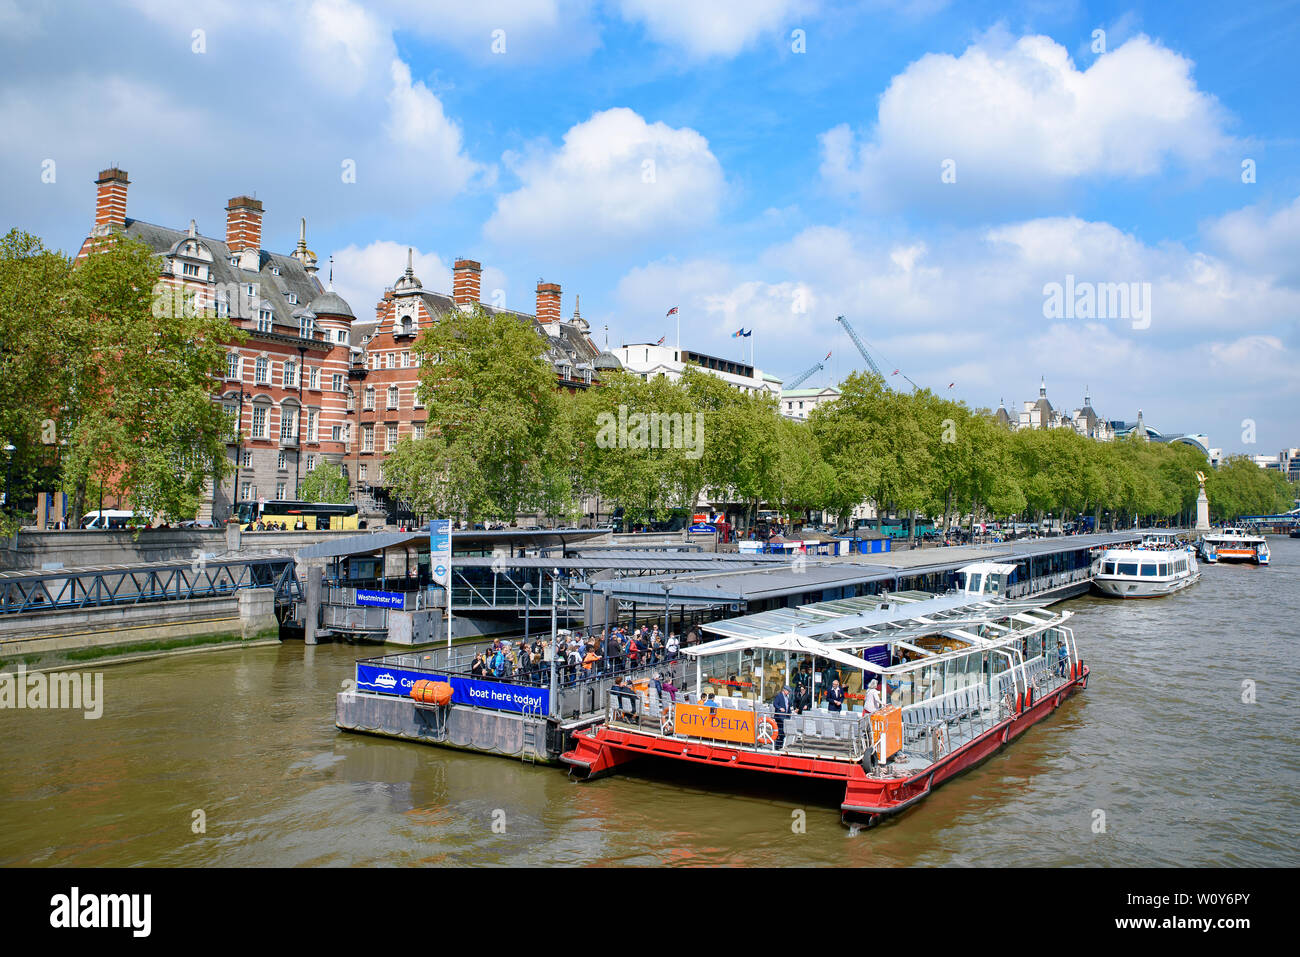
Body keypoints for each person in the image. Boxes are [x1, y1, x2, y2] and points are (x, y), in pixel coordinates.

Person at [772, 684, 793, 749]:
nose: (788, 692)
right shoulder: (779, 696)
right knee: (780, 732)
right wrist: (780, 708)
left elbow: (788, 706)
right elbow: (775, 704)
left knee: (783, 732)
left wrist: (790, 713)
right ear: (784, 690)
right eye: (788, 691)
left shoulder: (787, 697)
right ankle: (777, 746)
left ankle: (780, 745)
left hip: (785, 717)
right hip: (779, 717)